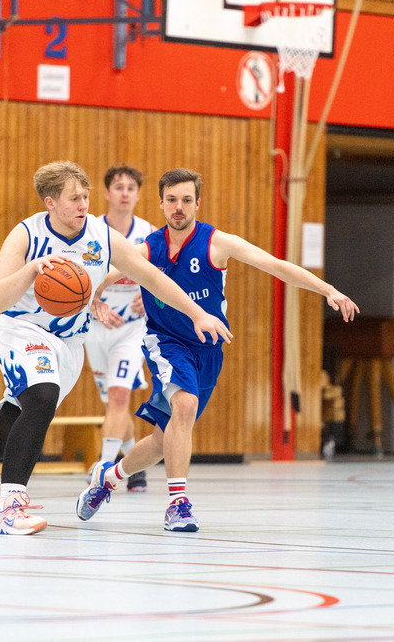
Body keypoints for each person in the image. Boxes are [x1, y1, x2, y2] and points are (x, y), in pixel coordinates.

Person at [0, 160, 231, 536]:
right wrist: (31, 270)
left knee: (3, 438)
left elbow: (152, 278)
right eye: (74, 199)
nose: (83, 205)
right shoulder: (26, 234)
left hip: (69, 342)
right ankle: (8, 509)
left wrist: (198, 313)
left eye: (85, 197)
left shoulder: (101, 236)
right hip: (22, 330)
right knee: (42, 397)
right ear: (50, 203)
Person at [76, 167, 359, 532]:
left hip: (208, 350)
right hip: (165, 343)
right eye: (172, 200)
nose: (179, 207)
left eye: (187, 200)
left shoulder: (216, 242)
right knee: (185, 404)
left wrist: (328, 290)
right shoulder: (148, 247)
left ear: (198, 203)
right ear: (161, 203)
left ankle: (108, 479)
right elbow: (101, 273)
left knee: (163, 441)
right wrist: (95, 297)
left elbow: (275, 265)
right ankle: (178, 504)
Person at [83, 165, 153, 492]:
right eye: (118, 187)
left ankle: (105, 468)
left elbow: (165, 280)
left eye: (130, 188)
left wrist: (150, 298)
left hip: (132, 328)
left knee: (120, 396)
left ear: (138, 194)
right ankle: (133, 463)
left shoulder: (150, 234)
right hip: (95, 328)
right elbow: (74, 279)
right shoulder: (90, 231)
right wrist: (93, 302)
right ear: (107, 193)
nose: (125, 193)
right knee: (112, 403)